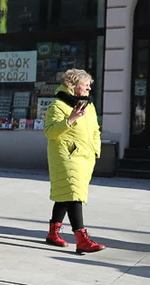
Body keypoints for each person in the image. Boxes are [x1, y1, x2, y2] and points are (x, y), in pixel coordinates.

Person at [45, 69, 105, 254]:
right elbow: (50, 132)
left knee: (66, 193)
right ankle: (81, 238)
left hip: (85, 157)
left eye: (89, 83)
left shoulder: (89, 105)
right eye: (85, 83)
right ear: (73, 84)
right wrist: (70, 120)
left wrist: (96, 151)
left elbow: (95, 130)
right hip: (66, 155)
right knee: (74, 193)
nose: (89, 86)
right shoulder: (57, 105)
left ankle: (52, 233)